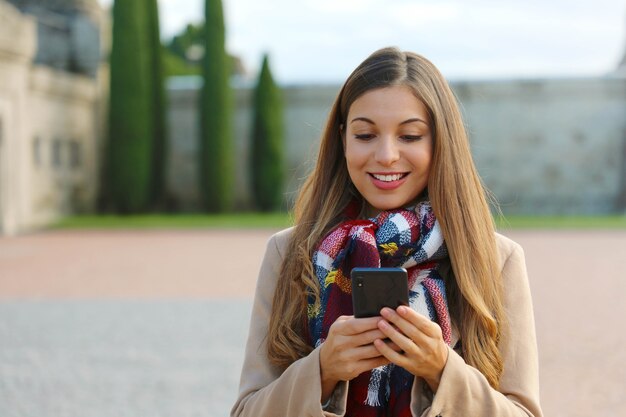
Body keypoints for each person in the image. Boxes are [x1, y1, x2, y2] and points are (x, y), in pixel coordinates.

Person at [231, 47, 543, 417]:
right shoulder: (289, 253)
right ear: (343, 138)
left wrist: (442, 370)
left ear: (440, 143)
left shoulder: (495, 259)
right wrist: (322, 371)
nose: (386, 155)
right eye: (365, 135)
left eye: (410, 136)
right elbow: (246, 411)